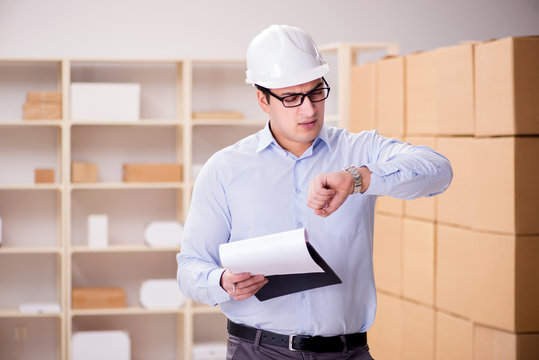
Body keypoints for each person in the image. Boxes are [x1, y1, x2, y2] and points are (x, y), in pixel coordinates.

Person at [177, 24, 452, 360]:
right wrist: (220, 281)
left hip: (346, 352)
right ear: (263, 99)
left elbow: (438, 171)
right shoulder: (224, 169)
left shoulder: (358, 150)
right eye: (291, 98)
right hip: (258, 351)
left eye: (316, 92)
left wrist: (358, 178)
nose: (308, 109)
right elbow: (189, 268)